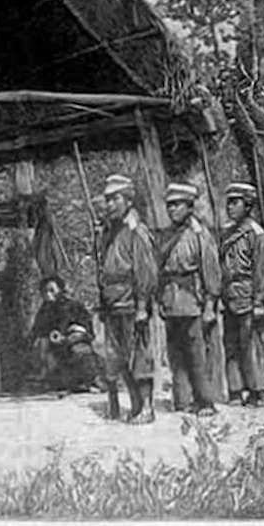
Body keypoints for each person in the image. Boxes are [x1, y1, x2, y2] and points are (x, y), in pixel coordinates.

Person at [92, 174, 159, 424]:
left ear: (129, 200)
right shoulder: (110, 232)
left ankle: (147, 407)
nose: (109, 204)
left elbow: (146, 273)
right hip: (112, 304)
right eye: (107, 200)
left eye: (115, 199)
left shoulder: (136, 231)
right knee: (118, 357)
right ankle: (135, 406)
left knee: (139, 356)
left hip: (132, 303)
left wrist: (142, 306)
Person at [157, 182, 222, 417]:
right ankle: (181, 400)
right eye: (169, 205)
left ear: (190, 207)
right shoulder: (166, 235)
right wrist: (160, 300)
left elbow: (211, 272)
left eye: (178, 204)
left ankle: (205, 401)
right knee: (176, 354)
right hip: (171, 300)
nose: (172, 209)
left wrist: (210, 305)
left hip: (192, 300)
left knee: (197, 354)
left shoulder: (200, 235)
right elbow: (159, 271)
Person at [220, 182, 264, 407]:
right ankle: (235, 390)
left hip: (250, 296)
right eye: (228, 203)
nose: (230, 207)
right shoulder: (226, 232)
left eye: (235, 203)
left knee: (254, 345)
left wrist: (260, 300)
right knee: (231, 345)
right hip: (230, 296)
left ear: (248, 205)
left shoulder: (257, 234)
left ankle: (258, 390)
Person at [30, 276, 100, 392]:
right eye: (45, 291)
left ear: (60, 290)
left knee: (80, 351)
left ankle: (86, 381)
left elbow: (86, 327)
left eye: (52, 290)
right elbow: (39, 330)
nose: (48, 294)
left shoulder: (73, 306)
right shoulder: (44, 310)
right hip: (54, 347)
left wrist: (72, 335)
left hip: (76, 342)